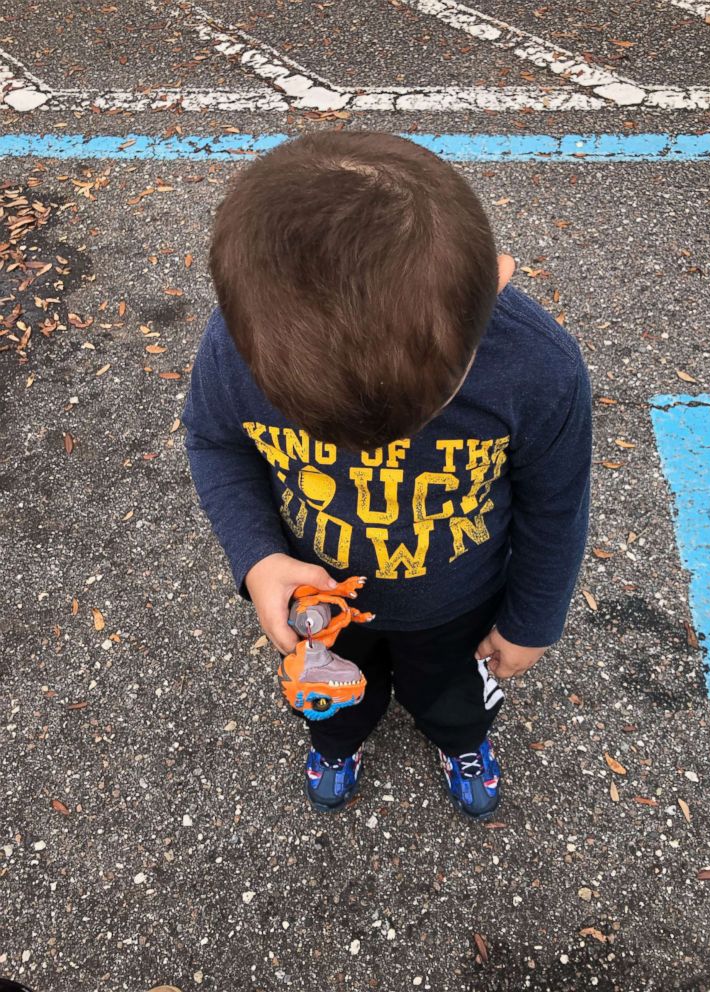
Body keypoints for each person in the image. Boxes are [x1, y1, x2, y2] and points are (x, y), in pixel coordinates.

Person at [181, 131, 592, 821]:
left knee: (456, 697)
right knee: (332, 701)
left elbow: (556, 506)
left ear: (495, 280)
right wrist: (257, 558)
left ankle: (460, 740)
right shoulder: (241, 348)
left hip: (462, 603)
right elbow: (215, 440)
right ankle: (338, 742)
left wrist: (533, 621)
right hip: (321, 601)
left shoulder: (538, 369)